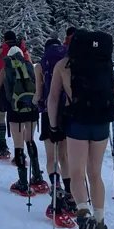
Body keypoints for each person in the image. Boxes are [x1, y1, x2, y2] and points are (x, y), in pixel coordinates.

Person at [46, 29, 114, 229]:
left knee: (77, 172)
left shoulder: (64, 65)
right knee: (95, 173)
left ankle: (84, 217)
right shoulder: (105, 64)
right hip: (101, 125)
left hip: (77, 123)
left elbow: (52, 98)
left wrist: (53, 126)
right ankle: (99, 222)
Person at [0, 45, 45, 194]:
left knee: (18, 145)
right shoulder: (30, 66)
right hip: (32, 110)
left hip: (15, 111)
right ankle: (37, 176)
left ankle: (23, 182)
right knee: (30, 140)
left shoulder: (6, 69)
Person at [36, 36, 75, 217]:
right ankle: (70, 195)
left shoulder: (40, 65)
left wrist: (36, 102)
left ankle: (56, 191)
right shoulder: (67, 62)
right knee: (64, 156)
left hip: (48, 112)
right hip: (66, 112)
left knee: (51, 157)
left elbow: (38, 94)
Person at [0, 30, 31, 160]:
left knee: (1, 115)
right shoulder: (22, 50)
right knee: (19, 119)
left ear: (4, 39)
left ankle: (2, 145)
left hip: (3, 87)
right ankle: (20, 149)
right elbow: (29, 67)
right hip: (20, 89)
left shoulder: (0, 51)